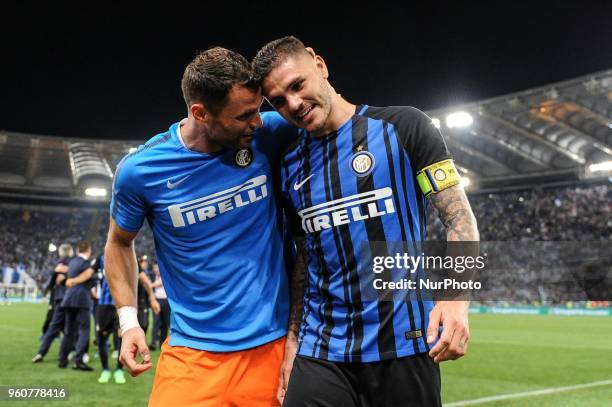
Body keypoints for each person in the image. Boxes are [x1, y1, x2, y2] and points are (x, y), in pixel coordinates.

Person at [253, 36, 479, 406]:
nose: (293, 104)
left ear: (319, 65)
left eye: (298, 85)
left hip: (403, 345)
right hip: (322, 350)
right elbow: (304, 260)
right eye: (278, 101)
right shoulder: (289, 165)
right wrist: (294, 339)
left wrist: (456, 298)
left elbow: (459, 218)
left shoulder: (404, 128)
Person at [105, 47, 299, 406]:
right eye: (244, 115)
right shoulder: (141, 171)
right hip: (192, 355)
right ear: (200, 112)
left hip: (273, 349)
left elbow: (340, 124)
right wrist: (129, 321)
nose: (257, 122)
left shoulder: (268, 134)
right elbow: (118, 243)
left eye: (258, 109)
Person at [58, 240, 97, 371]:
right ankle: (78, 361)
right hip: (82, 299)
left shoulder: (72, 262)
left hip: (68, 299)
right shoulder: (88, 264)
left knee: (68, 331)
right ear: (89, 250)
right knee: (84, 330)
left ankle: (62, 360)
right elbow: (90, 278)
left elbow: (64, 279)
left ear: (77, 250)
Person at [32, 243, 73, 363]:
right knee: (71, 328)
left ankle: (41, 353)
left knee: (54, 328)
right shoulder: (74, 264)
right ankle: (72, 352)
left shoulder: (58, 265)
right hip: (70, 300)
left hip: (59, 300)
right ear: (70, 252)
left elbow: (50, 284)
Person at [94, 254, 126, 384]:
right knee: (101, 338)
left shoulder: (128, 255)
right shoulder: (101, 258)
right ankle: (105, 370)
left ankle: (119, 370)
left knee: (121, 339)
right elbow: (90, 273)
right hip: (104, 305)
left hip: (121, 305)